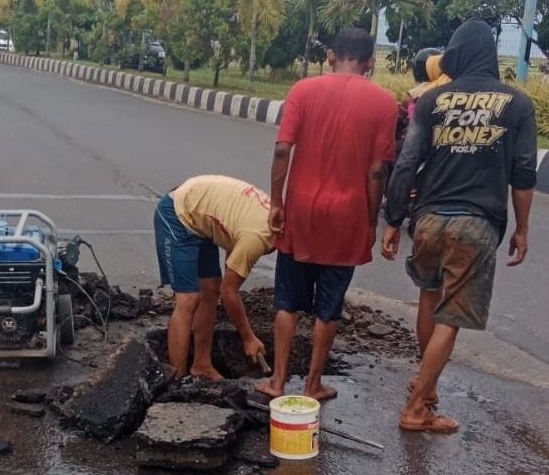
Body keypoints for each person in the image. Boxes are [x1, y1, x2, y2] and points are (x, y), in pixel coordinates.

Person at [382, 19, 537, 433]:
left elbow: (407, 162)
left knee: (428, 300)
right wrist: (523, 228)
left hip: (428, 220)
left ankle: (427, 387)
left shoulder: (434, 101)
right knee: (450, 318)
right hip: (476, 224)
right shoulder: (518, 105)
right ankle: (417, 408)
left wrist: (394, 219)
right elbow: (523, 174)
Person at [255, 28, 398, 401]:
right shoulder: (384, 103)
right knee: (328, 307)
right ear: (370, 62)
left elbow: (283, 149)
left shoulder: (303, 90)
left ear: (332, 56)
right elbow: (377, 172)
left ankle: (278, 381)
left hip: (301, 210)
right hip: (347, 216)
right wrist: (369, 221)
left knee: (287, 301)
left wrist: (276, 201)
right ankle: (313, 383)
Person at [154, 175, 274, 381]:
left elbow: (229, 270)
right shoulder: (257, 237)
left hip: (202, 217)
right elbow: (230, 292)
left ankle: (201, 365)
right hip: (177, 213)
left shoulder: (272, 221)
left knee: (210, 289)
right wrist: (248, 337)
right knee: (188, 298)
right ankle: (177, 379)